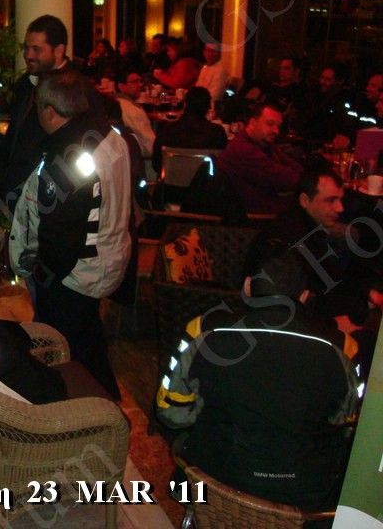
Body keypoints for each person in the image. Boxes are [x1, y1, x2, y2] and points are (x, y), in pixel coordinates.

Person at [157, 245, 361, 518]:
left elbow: (171, 413)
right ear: (304, 296)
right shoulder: (343, 347)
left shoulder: (204, 329)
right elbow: (347, 425)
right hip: (304, 497)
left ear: (247, 286)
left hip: (216, 481)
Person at [9, 70, 132, 400]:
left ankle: (89, 410)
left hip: (78, 273)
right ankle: (106, 405)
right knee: (89, 342)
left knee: (72, 353)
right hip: (107, 258)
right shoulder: (110, 135)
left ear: (50, 111)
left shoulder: (70, 157)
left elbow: (62, 234)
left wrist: (43, 275)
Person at [245, 170, 382, 370]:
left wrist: (369, 293)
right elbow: (302, 295)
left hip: (291, 313)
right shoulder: (291, 237)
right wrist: (336, 323)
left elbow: (328, 276)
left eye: (340, 200)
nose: (340, 208)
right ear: (305, 200)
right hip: (277, 326)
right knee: (367, 339)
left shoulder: (306, 227)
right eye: (330, 200)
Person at [0, 15, 73, 206]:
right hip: (15, 194)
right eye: (26, 48)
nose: (28, 55)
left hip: (46, 199)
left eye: (36, 49)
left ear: (59, 51)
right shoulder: (25, 83)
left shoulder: (74, 90)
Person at [216, 101, 303, 214]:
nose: (276, 131)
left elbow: (296, 169)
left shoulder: (263, 144)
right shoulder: (243, 149)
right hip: (258, 218)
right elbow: (289, 180)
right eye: (270, 124)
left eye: (278, 126)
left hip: (268, 209)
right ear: (253, 123)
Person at [152, 86, 227, 173]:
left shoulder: (167, 131)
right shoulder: (217, 133)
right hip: (204, 180)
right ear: (208, 107)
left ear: (185, 104)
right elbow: (221, 164)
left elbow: (156, 164)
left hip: (172, 180)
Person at [99, 68, 155, 157]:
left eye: (140, 81)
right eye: (134, 82)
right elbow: (150, 146)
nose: (140, 85)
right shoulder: (132, 110)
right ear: (121, 86)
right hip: (144, 158)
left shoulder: (116, 103)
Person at [296, 63, 353, 145]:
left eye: (328, 79)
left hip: (326, 144)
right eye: (322, 78)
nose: (322, 82)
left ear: (339, 81)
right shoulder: (315, 96)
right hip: (307, 141)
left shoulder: (343, 102)